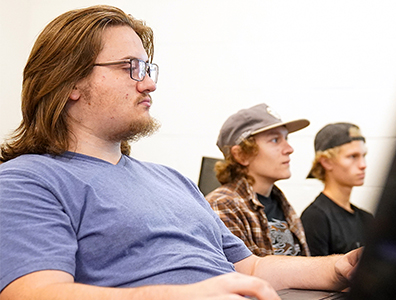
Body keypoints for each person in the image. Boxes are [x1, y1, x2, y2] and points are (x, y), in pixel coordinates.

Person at [0, 5, 361, 300]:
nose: (149, 83)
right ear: (70, 82)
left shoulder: (172, 179)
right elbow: (36, 292)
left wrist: (338, 268)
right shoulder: (27, 180)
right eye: (131, 68)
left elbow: (250, 268)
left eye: (147, 68)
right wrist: (186, 294)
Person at [206, 103, 310, 257]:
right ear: (242, 154)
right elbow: (243, 277)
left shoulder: (279, 201)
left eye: (286, 138)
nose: (289, 149)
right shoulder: (222, 206)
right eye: (275, 140)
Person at [301, 123, 374, 256]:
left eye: (364, 156)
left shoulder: (366, 219)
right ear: (326, 162)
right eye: (353, 156)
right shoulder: (316, 218)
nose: (363, 165)